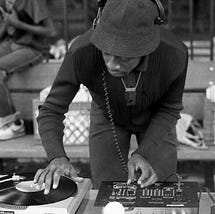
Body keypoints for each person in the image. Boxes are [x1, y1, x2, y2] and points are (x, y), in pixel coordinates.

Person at [33, 0, 188, 193]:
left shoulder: (174, 54)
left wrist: (144, 153)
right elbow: (51, 110)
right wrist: (57, 157)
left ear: (147, 47)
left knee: (162, 189)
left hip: (157, 118)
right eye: (106, 53)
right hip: (107, 115)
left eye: (125, 58)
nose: (113, 65)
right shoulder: (81, 52)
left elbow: (169, 109)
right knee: (107, 191)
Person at [0, 0, 56, 140]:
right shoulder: (4, 2)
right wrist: (8, 23)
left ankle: (13, 124)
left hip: (32, 48)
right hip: (12, 45)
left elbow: (51, 30)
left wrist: (19, 24)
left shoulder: (33, 2)